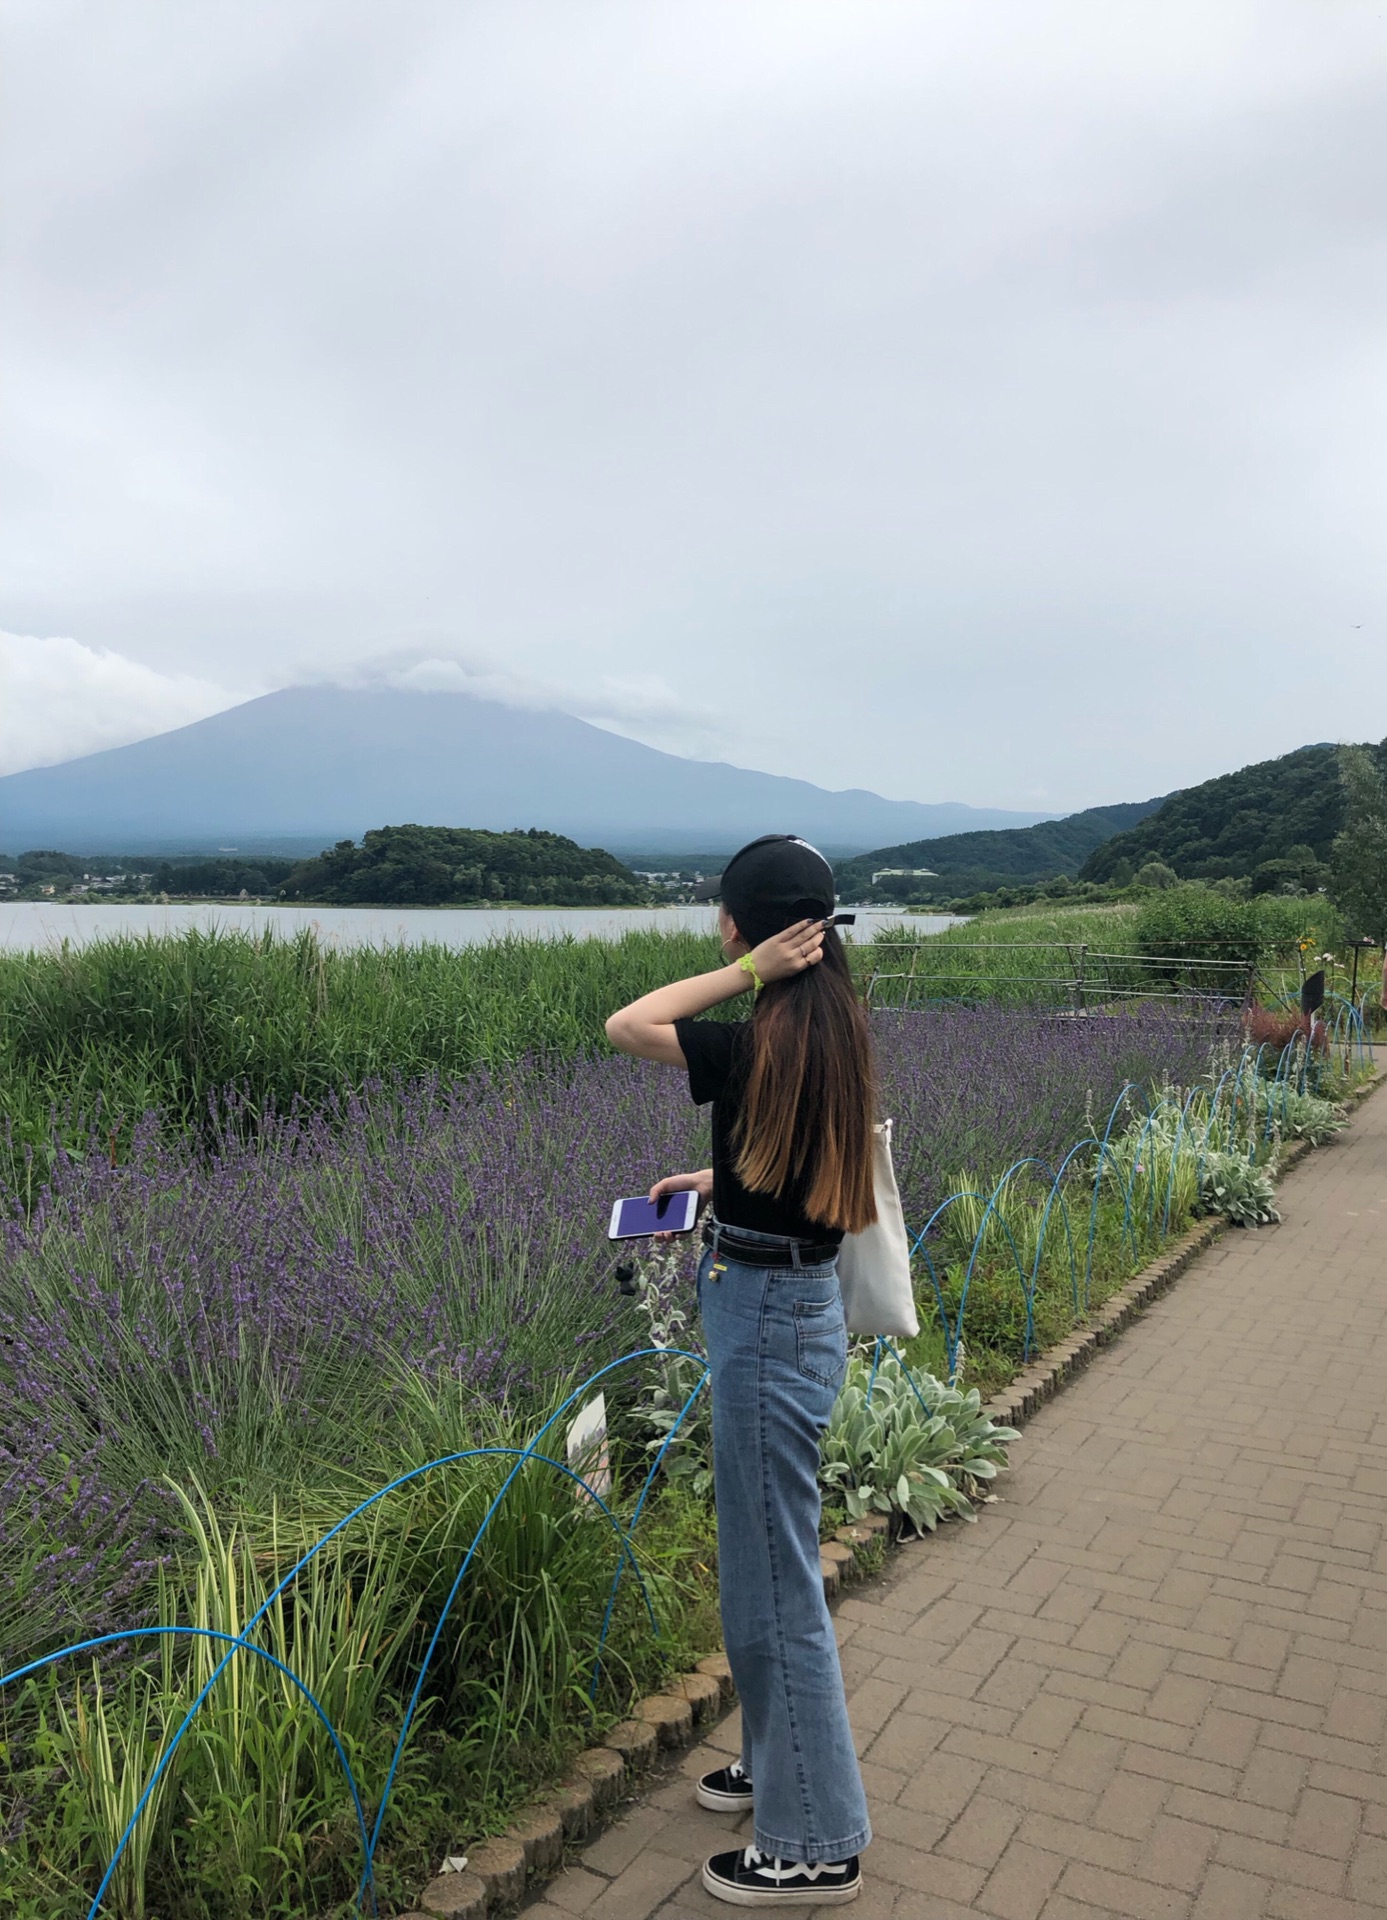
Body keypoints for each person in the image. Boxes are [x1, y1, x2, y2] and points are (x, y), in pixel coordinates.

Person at [605, 834, 876, 1908]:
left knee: (773, 1580)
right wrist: (719, 1180)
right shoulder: (823, 1027)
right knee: (758, 1563)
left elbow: (630, 1021)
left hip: (766, 1316)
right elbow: (800, 1156)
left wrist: (747, 971)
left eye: (725, 919)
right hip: (777, 1294)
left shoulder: (765, 1022)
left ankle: (816, 1839)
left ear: (739, 925)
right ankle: (777, 1767)